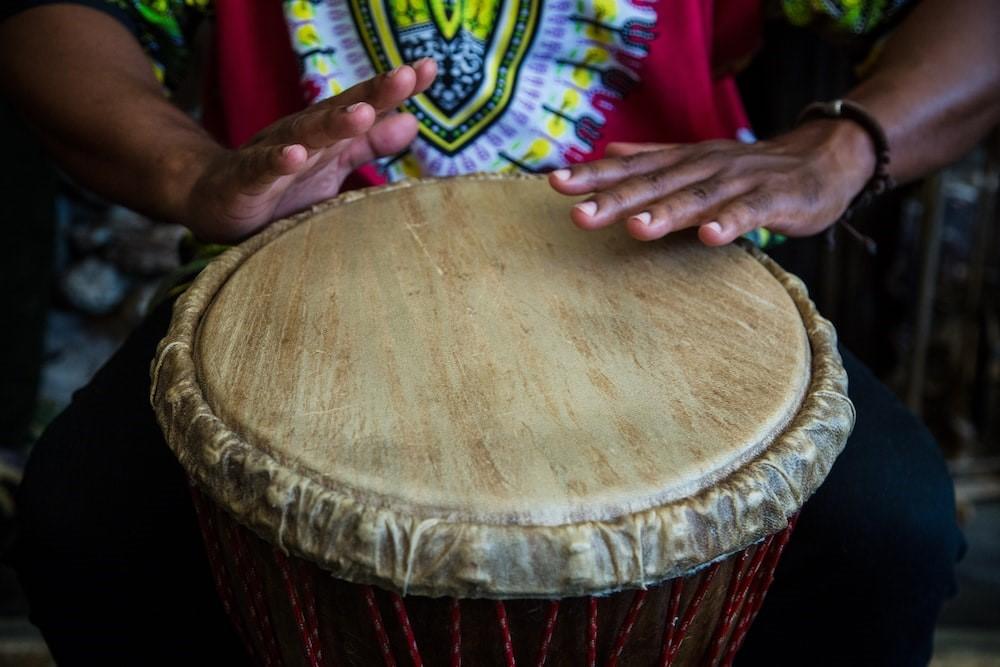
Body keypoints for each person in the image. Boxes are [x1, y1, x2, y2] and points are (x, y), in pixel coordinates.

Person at [1, 0, 997, 664]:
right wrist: (191, 171)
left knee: (884, 532)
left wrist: (843, 144)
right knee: (87, 522)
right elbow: (59, 19)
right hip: (282, 275)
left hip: (673, 274)